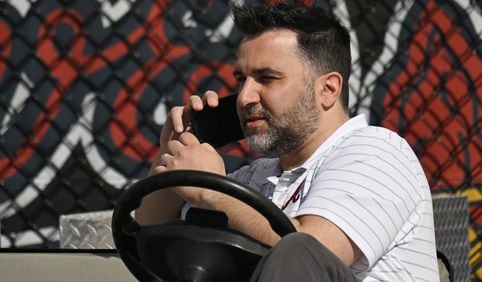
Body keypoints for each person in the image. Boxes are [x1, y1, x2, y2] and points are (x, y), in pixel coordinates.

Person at [136, 2, 439, 281]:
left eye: (267, 79)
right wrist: (179, 149)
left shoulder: (378, 153)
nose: (244, 97)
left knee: (296, 250)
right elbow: (146, 230)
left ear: (328, 90)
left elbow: (313, 254)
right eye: (241, 80)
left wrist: (212, 192)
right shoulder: (255, 178)